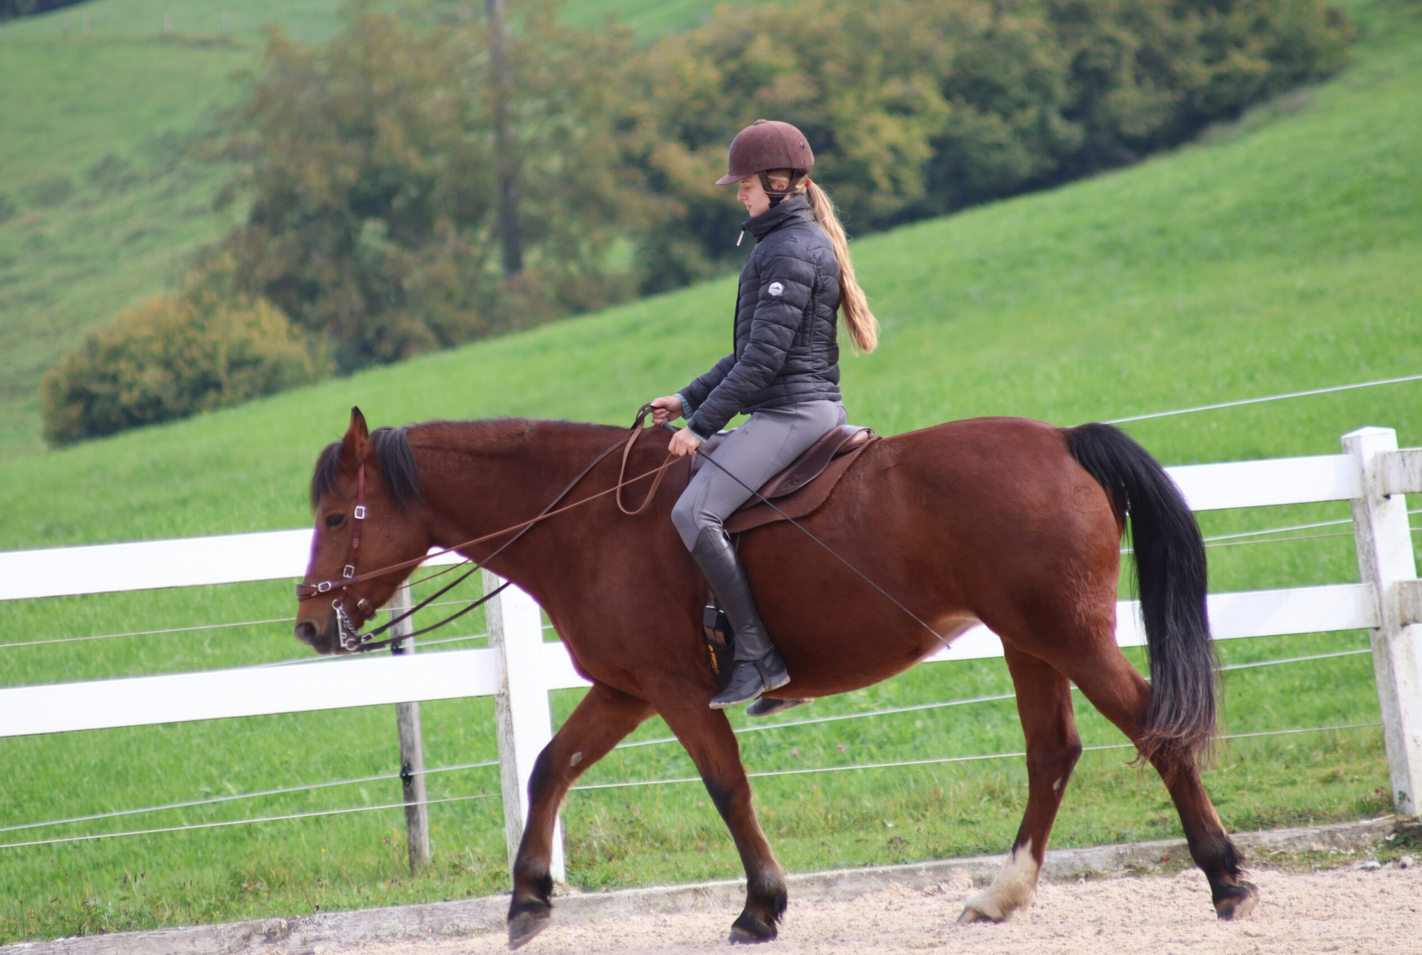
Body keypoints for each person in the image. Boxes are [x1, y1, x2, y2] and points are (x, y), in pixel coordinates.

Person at [648, 118, 880, 709]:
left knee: (694, 512)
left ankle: (759, 656)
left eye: (745, 186)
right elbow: (750, 351)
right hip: (789, 406)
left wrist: (698, 428)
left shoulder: (791, 249)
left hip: (794, 414)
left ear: (779, 184)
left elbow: (762, 362)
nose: (739, 196)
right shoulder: (783, 244)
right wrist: (687, 398)